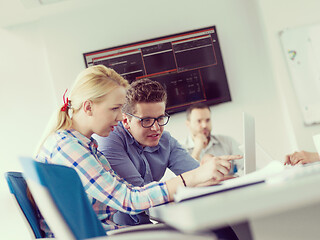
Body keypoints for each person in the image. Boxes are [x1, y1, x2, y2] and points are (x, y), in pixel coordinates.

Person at [35, 65, 239, 237]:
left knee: (217, 228)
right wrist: (192, 177)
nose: (118, 118)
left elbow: (127, 194)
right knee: (213, 232)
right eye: (114, 109)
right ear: (88, 107)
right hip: (108, 234)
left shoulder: (81, 145)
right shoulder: (68, 147)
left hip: (111, 232)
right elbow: (129, 200)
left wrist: (205, 173)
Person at [184, 103, 244, 175]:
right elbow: (182, 180)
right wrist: (197, 151)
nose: (204, 125)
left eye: (207, 120)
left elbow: (246, 166)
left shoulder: (227, 141)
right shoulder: (179, 149)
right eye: (199, 121)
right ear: (188, 124)